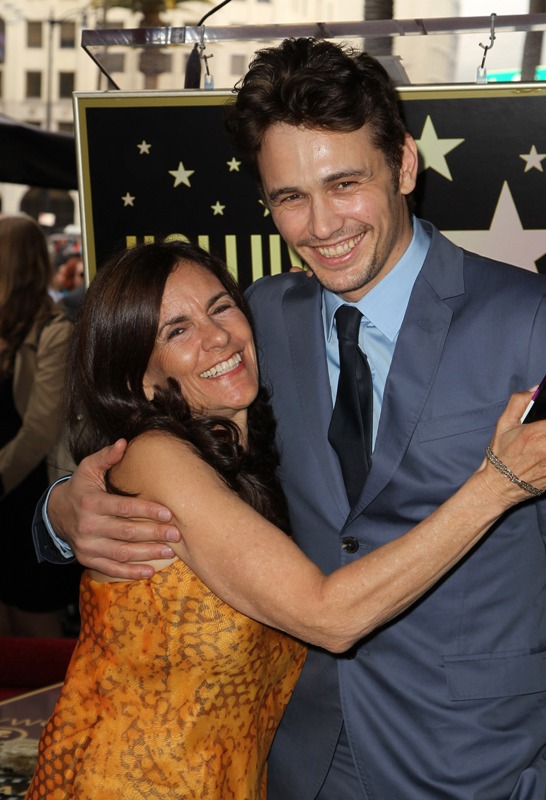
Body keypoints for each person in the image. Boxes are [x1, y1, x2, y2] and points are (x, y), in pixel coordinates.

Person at [34, 38, 546, 799]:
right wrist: (62, 509)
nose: (320, 225)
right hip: (298, 762)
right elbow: (149, 434)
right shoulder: (257, 321)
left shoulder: (527, 322)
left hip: (478, 762)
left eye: (344, 183)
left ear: (404, 166)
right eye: (289, 197)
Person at [0, 215, 81, 637]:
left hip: (30, 497)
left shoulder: (55, 331)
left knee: (35, 626)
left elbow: (39, 431)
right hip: (8, 492)